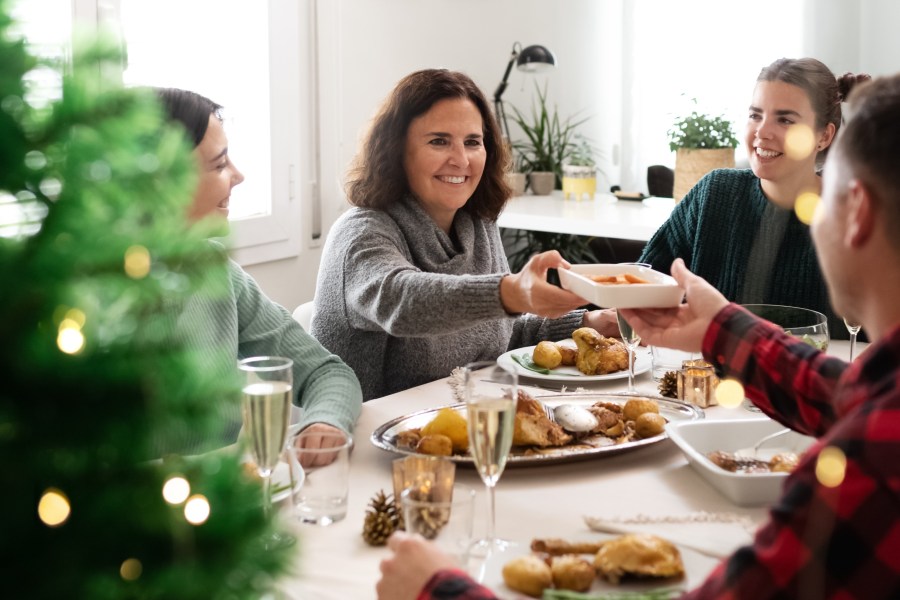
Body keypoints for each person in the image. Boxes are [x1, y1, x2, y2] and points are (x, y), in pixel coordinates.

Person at [375, 73, 900, 599]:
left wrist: (439, 590)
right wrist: (719, 328)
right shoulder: (882, 404)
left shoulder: (873, 459)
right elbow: (846, 396)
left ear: (858, 214)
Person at [312, 69, 610, 401]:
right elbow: (402, 302)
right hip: (370, 436)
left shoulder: (478, 225)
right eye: (439, 141)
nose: (461, 159)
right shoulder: (360, 233)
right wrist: (510, 292)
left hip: (465, 422)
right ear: (396, 150)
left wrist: (587, 323)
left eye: (472, 142)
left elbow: (503, 334)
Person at [155, 88, 362, 450]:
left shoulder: (214, 269)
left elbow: (326, 372)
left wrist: (325, 421)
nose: (238, 175)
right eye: (219, 165)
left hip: (225, 497)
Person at [639, 58, 870, 339]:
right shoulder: (715, 194)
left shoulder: (858, 215)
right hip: (711, 378)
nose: (762, 132)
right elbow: (643, 289)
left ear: (823, 136)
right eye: (755, 115)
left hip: (823, 380)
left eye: (785, 119)